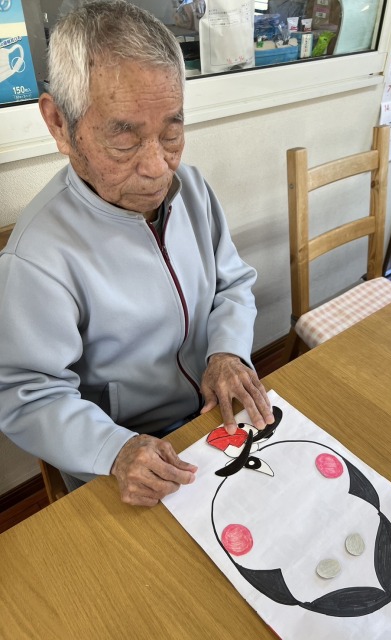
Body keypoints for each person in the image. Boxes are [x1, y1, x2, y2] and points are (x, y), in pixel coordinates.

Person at [0, 0, 273, 507]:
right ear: (59, 123)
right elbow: (26, 394)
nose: (157, 168)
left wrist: (226, 351)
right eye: (124, 140)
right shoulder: (37, 258)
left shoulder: (193, 190)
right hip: (125, 456)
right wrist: (114, 449)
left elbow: (232, 283)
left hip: (210, 417)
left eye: (171, 133)